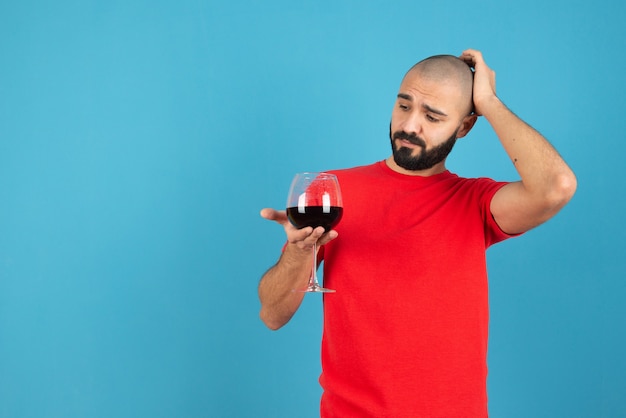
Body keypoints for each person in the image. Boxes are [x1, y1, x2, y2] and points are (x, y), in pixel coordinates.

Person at [258, 49, 576, 417]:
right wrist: (300, 253)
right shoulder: (334, 193)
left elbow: (557, 187)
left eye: (432, 116)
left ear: (465, 127)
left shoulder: (475, 202)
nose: (410, 126)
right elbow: (272, 314)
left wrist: (488, 102)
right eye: (404, 106)